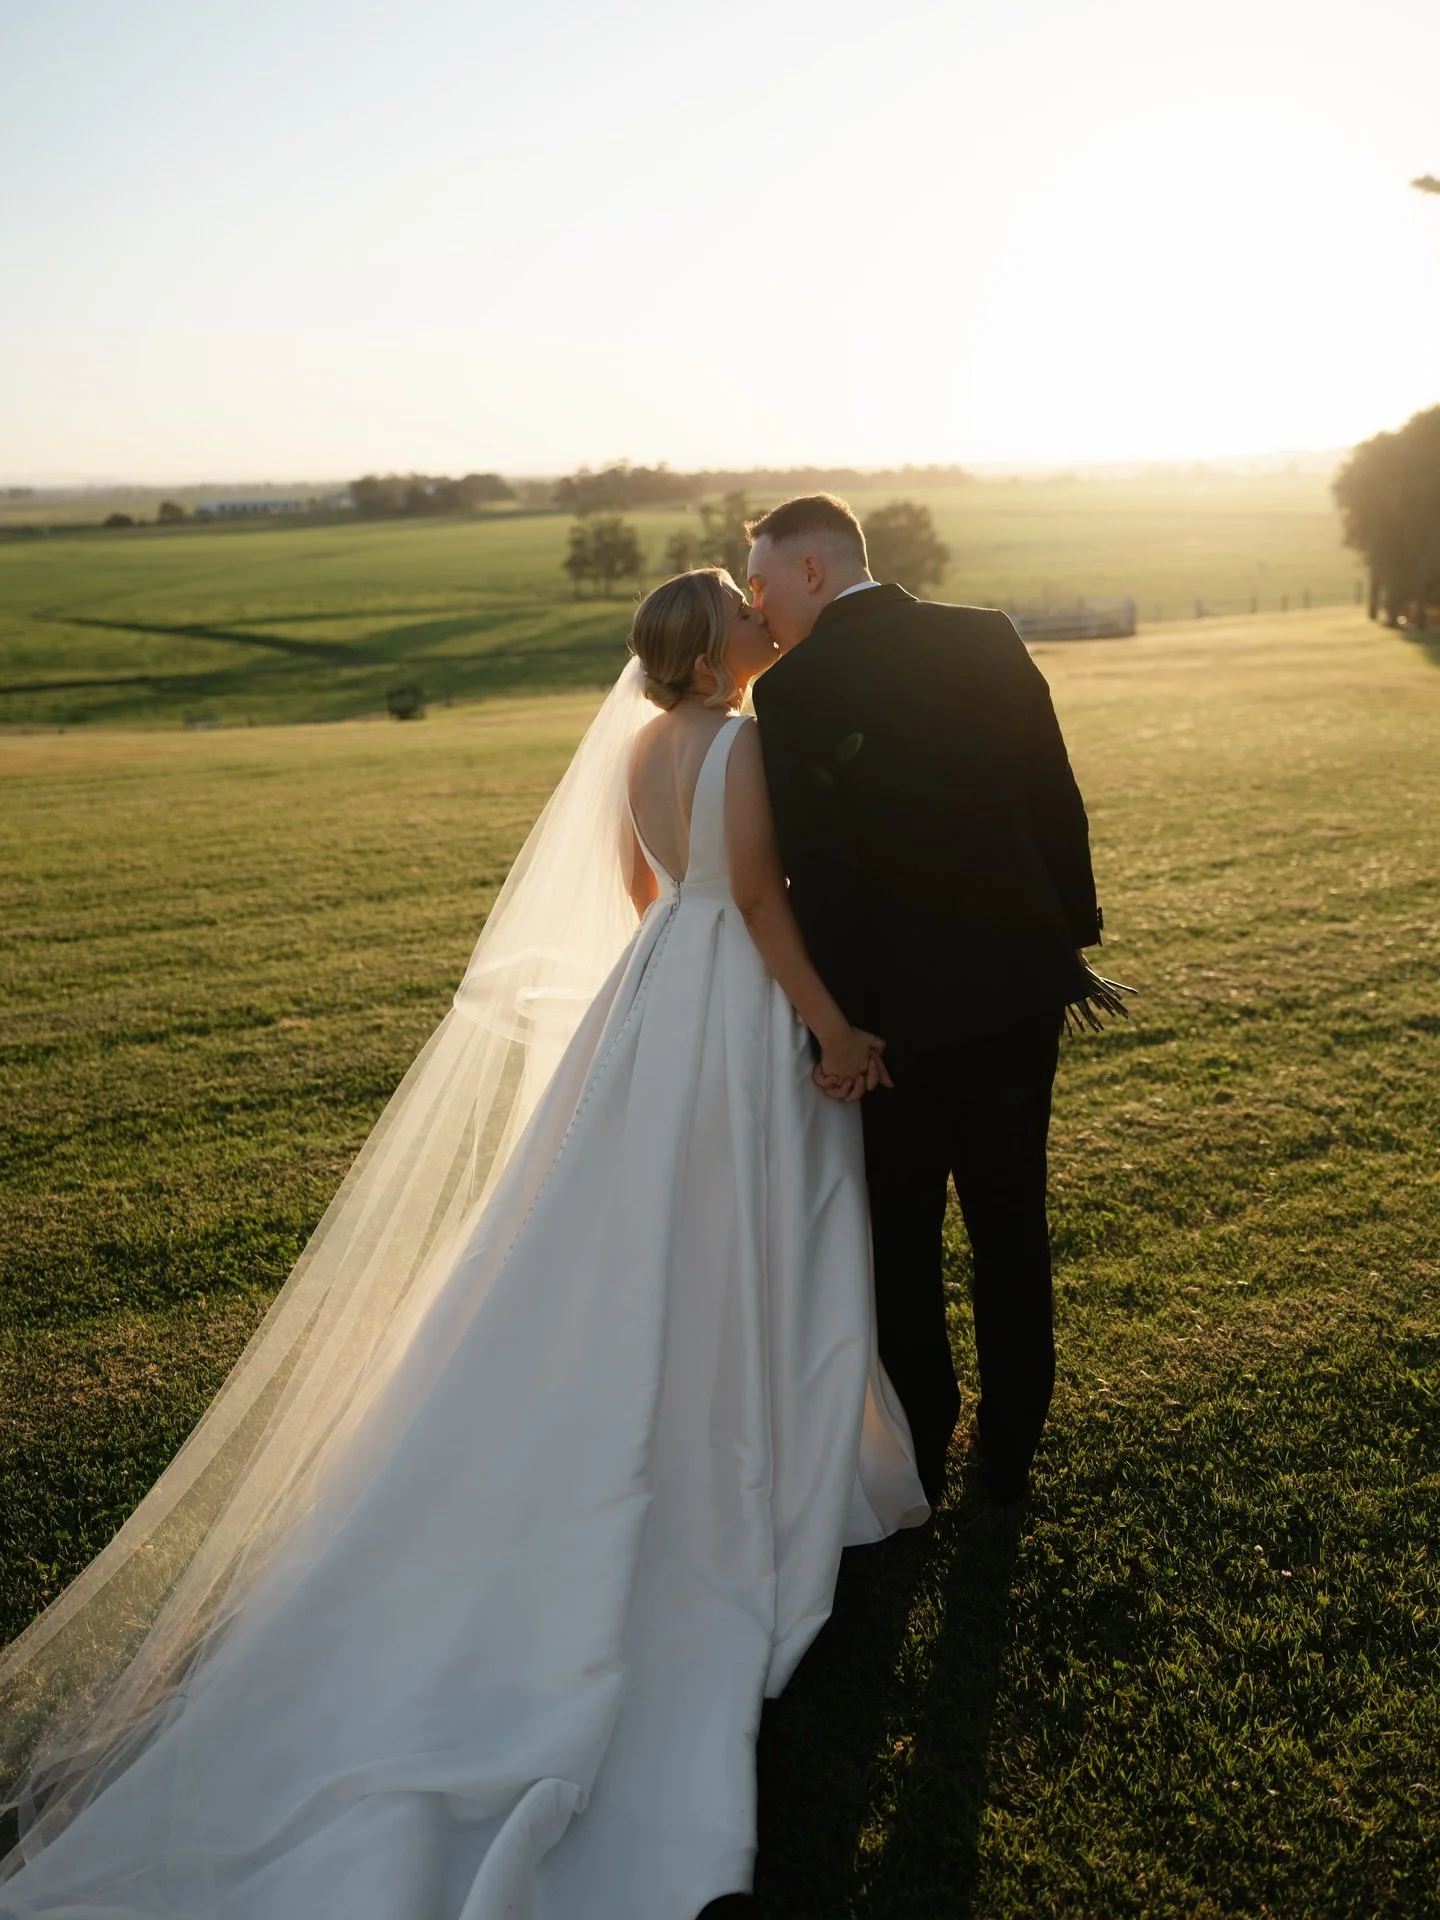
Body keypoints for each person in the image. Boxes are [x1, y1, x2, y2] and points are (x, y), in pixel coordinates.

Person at [0, 568, 927, 1920]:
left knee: (626, 1235)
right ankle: (752, 1447)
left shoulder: (640, 746)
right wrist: (832, 1030)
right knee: (738, 1226)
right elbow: (764, 906)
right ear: (708, 644)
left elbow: (642, 886)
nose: (754, 623)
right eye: (740, 611)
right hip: (724, 992)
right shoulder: (740, 740)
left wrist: (683, 968)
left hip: (656, 985)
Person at [748, 495, 1104, 1506]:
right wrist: (1061, 942)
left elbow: (823, 874)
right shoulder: (985, 634)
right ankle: (1013, 1442)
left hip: (891, 1021)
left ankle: (928, 1442)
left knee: (900, 1236)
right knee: (1010, 1216)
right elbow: (1054, 793)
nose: (758, 607)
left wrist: (844, 1028)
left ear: (813, 572)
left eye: (765, 584)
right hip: (1020, 988)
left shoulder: (797, 690)